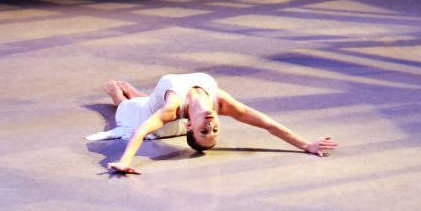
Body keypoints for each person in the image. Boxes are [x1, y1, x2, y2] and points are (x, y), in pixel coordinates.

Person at [88, 72, 339, 174]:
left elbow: (142, 129)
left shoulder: (172, 109)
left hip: (142, 113)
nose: (211, 123)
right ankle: (133, 90)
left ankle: (117, 92)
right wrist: (306, 144)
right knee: (145, 101)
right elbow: (268, 124)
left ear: (189, 125)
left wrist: (125, 161)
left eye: (204, 130)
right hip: (154, 102)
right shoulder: (223, 104)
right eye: (215, 129)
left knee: (124, 107)